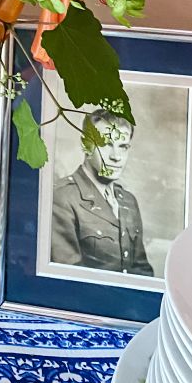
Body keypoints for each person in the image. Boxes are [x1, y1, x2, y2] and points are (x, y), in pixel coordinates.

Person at [51, 108, 153, 276]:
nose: (116, 157)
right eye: (106, 144)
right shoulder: (62, 197)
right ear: (86, 145)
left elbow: (142, 271)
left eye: (123, 147)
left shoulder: (128, 201)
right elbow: (69, 278)